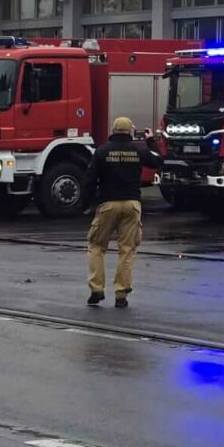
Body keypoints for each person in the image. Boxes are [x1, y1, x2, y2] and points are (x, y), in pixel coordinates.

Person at [85, 117, 162, 308]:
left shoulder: (102, 151)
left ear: (113, 130)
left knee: (96, 245)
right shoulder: (138, 150)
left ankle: (96, 289)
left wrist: (90, 203)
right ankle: (121, 293)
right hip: (132, 204)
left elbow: (89, 179)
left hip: (108, 204)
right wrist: (151, 141)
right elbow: (158, 160)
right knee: (127, 249)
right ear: (129, 132)